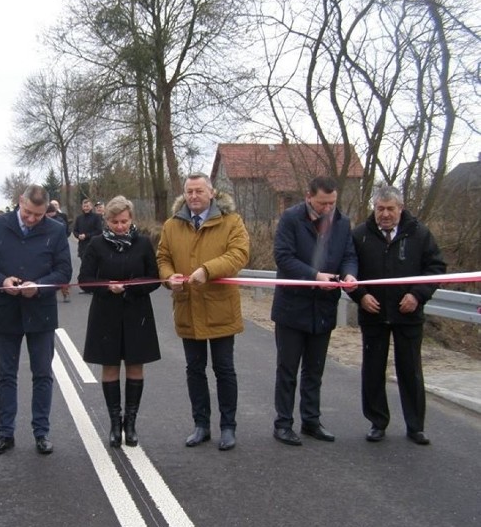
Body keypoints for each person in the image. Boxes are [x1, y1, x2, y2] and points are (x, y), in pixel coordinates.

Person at [0, 184, 72, 455]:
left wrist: (39, 285)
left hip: (40, 311)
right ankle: (5, 433)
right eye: (28, 212)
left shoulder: (55, 230)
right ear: (20, 201)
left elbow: (64, 270)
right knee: (6, 375)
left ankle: (41, 432)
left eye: (38, 216)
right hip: (6, 310)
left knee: (42, 374)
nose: (31, 219)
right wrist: (1, 280)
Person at [156, 173, 250, 451]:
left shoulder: (231, 221)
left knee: (224, 369)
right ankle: (201, 425)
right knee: (194, 369)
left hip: (220, 307)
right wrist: (169, 276)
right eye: (189, 192)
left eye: (199, 191)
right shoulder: (172, 226)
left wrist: (207, 270)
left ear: (211, 193)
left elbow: (239, 254)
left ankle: (228, 427)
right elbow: (163, 257)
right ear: (183, 195)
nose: (194, 196)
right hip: (187, 306)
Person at [349, 185, 446, 445]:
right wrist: (360, 295)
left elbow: (436, 268)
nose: (385, 214)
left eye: (391, 209)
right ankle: (377, 422)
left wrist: (417, 295)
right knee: (372, 369)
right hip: (374, 314)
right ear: (374, 209)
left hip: (408, 314)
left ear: (400, 209)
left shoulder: (419, 233)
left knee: (410, 370)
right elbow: (348, 271)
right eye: (380, 209)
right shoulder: (360, 235)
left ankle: (415, 426)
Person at [271, 176, 358, 446]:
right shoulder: (291, 219)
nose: (328, 208)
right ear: (309, 196)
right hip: (292, 307)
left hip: (323, 308)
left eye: (332, 203)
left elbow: (349, 255)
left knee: (314, 369)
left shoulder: (342, 223)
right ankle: (283, 424)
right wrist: (314, 276)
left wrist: (350, 276)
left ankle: (311, 420)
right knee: (288, 369)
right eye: (322, 203)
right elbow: (283, 257)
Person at [79, 196, 160, 447]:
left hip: (138, 313)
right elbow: (85, 280)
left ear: (131, 219)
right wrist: (106, 288)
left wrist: (134, 288)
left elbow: (154, 279)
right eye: (115, 222)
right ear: (107, 221)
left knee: (136, 366)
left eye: (124, 221)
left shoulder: (144, 243)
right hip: (106, 313)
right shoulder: (96, 244)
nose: (120, 226)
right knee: (111, 367)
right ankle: (115, 424)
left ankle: (131, 424)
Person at [47, 203, 72, 303]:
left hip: (59, 248)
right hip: (48, 248)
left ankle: (65, 293)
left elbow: (66, 232)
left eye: (50, 213)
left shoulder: (60, 221)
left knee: (61, 271)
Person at [73, 198, 104, 262]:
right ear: (82, 207)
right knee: (84, 267)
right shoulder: (79, 218)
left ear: (91, 207)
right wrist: (78, 236)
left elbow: (99, 231)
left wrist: (86, 236)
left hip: (93, 246)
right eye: (84, 206)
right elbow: (75, 231)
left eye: (87, 206)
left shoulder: (96, 217)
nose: (86, 208)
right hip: (82, 247)